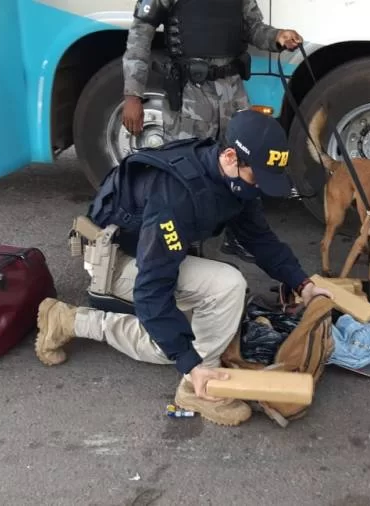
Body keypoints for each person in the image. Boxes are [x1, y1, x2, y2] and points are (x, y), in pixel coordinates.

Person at [35, 110, 332, 426]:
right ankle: (195, 386)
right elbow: (151, 291)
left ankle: (74, 321)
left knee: (210, 321)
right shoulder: (176, 197)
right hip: (115, 263)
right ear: (230, 157)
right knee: (205, 312)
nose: (259, 187)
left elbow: (260, 238)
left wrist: (302, 284)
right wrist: (191, 364)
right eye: (256, 177)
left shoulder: (230, 177)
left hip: (149, 254)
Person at [121, 0, 304, 264]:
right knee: (186, 173)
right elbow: (140, 33)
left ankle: (241, 235)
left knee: (246, 166)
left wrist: (277, 37)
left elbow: (252, 27)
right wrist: (133, 94)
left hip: (232, 92)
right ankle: (183, 247)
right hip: (190, 95)